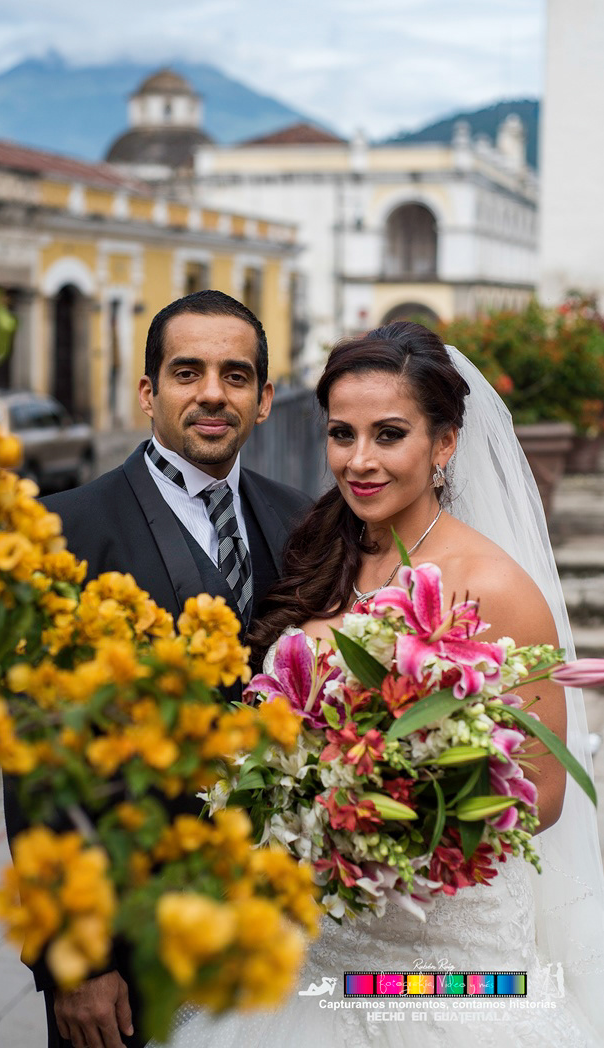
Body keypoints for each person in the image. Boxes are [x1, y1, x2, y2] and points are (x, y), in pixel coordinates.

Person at [149, 322, 604, 1047]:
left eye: (388, 435)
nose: (358, 461)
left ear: (444, 444)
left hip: (447, 967)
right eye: (341, 435)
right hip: (314, 950)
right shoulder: (315, 553)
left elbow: (543, 795)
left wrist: (392, 812)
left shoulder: (496, 587)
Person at [3, 290, 311, 1048]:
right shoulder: (66, 530)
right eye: (187, 372)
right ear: (149, 392)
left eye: (235, 375)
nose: (212, 393)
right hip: (127, 947)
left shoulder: (303, 521)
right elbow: (37, 763)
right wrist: (74, 961)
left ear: (265, 399)